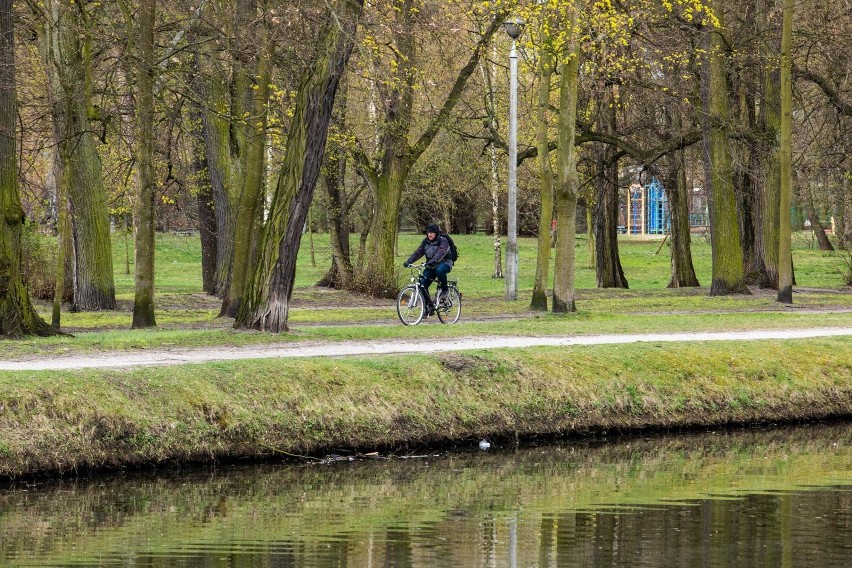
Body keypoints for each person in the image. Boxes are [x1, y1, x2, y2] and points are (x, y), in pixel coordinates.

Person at [403, 223, 453, 310]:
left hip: (445, 263)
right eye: (428, 232)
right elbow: (418, 252)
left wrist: (434, 260)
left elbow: (441, 252)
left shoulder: (443, 240)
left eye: (432, 232)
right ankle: (428, 307)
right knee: (422, 285)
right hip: (431, 265)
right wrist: (409, 260)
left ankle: (445, 290)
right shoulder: (426, 241)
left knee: (440, 271)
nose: (429, 234)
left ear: (436, 233)